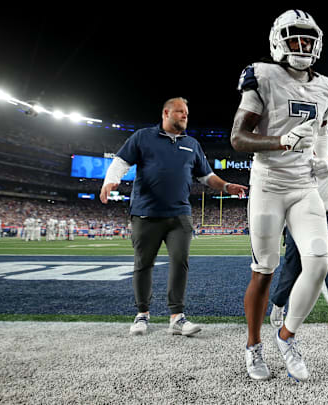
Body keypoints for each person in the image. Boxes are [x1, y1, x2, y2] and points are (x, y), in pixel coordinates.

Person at [231, 9, 328, 382]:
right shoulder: (263, 75)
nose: (302, 45)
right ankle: (253, 347)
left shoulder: (326, 87)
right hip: (269, 184)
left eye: (308, 39)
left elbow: (321, 131)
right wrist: (280, 141)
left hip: (304, 185)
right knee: (264, 272)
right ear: (279, 40)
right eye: (295, 38)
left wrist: (322, 161)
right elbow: (238, 138)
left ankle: (287, 336)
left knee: (319, 262)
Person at [101, 97, 247, 337]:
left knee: (180, 262)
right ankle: (142, 314)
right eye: (180, 112)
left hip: (179, 215)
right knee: (143, 265)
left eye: (186, 113)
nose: (185, 116)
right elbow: (121, 161)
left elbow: (206, 176)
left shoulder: (192, 143)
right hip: (145, 213)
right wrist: (110, 181)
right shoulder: (142, 137)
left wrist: (226, 186)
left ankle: (177, 317)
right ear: (166, 113)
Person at [269, 155, 328, 357]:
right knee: (292, 269)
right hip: (299, 217)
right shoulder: (296, 156)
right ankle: (278, 302)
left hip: (326, 219)